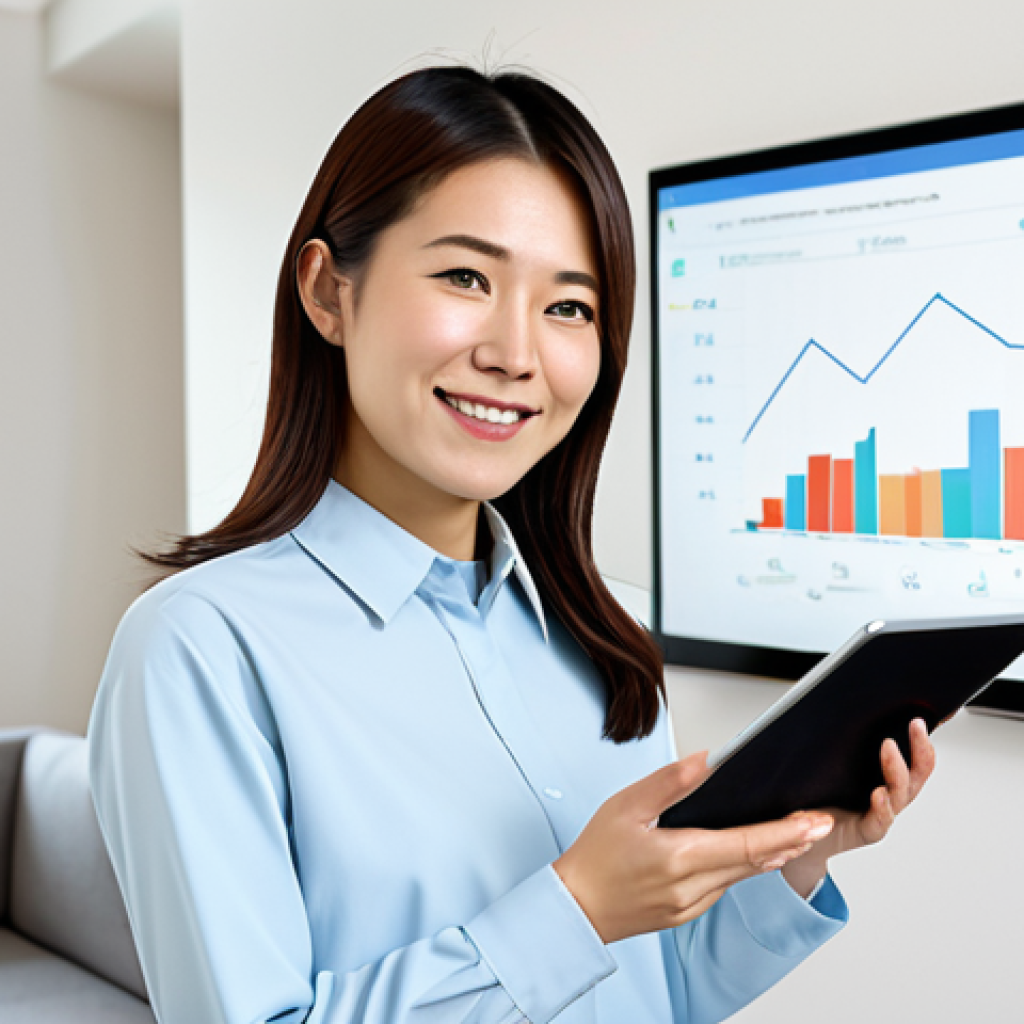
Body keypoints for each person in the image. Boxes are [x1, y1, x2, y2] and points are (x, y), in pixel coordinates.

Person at [87, 64, 935, 1024]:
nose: (516, 354)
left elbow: (661, 992)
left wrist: (796, 847)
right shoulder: (198, 648)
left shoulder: (609, 634)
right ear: (329, 292)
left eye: (568, 306)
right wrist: (578, 910)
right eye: (466, 277)